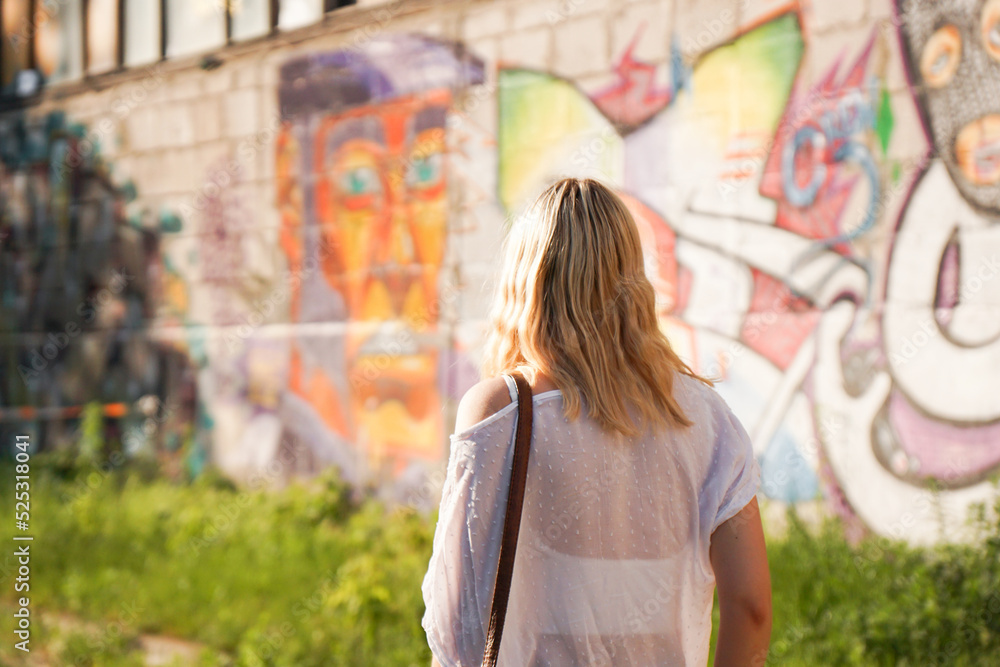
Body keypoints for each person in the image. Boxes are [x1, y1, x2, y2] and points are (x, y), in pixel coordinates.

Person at [421, 178, 771, 666]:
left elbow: (458, 628)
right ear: (631, 276)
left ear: (527, 280)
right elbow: (751, 608)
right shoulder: (707, 419)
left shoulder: (501, 411)